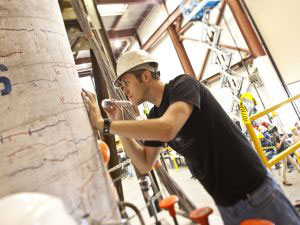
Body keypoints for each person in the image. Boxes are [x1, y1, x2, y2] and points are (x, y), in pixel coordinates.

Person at [82, 50, 300, 225]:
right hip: (225, 203)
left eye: (125, 82)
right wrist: (117, 125)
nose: (124, 90)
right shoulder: (155, 115)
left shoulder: (182, 85)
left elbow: (168, 128)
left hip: (255, 192)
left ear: (145, 76)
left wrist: (105, 124)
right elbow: (144, 163)